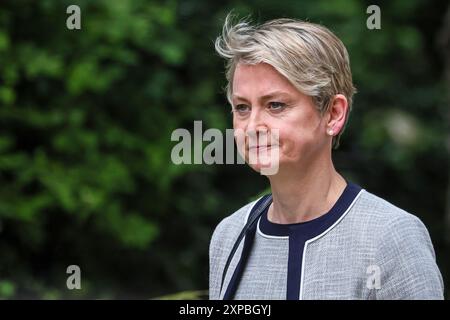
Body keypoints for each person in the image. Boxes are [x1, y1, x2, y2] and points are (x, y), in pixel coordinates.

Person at [209, 14, 444, 300]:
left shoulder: (391, 238)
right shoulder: (229, 236)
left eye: (275, 105)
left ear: (333, 114)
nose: (252, 126)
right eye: (242, 107)